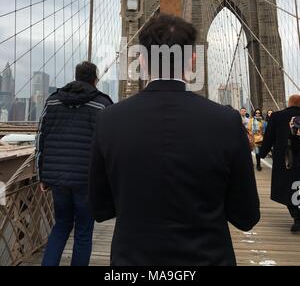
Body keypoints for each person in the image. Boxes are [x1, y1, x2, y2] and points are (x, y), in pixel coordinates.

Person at [89, 14, 260, 266]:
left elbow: (100, 209)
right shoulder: (226, 121)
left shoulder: (109, 120)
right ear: (192, 61)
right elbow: (246, 216)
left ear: (143, 62)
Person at [36, 62, 113, 266]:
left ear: (75, 76)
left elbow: (41, 138)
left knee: (60, 226)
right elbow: (110, 145)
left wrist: (41, 175)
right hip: (87, 180)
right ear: (95, 79)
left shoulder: (52, 101)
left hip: (57, 179)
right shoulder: (102, 105)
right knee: (83, 231)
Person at [260, 95, 300, 233]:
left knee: (287, 187)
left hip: (286, 160)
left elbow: (269, 137)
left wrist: (262, 154)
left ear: (289, 103)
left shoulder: (277, 116)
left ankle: (297, 217)